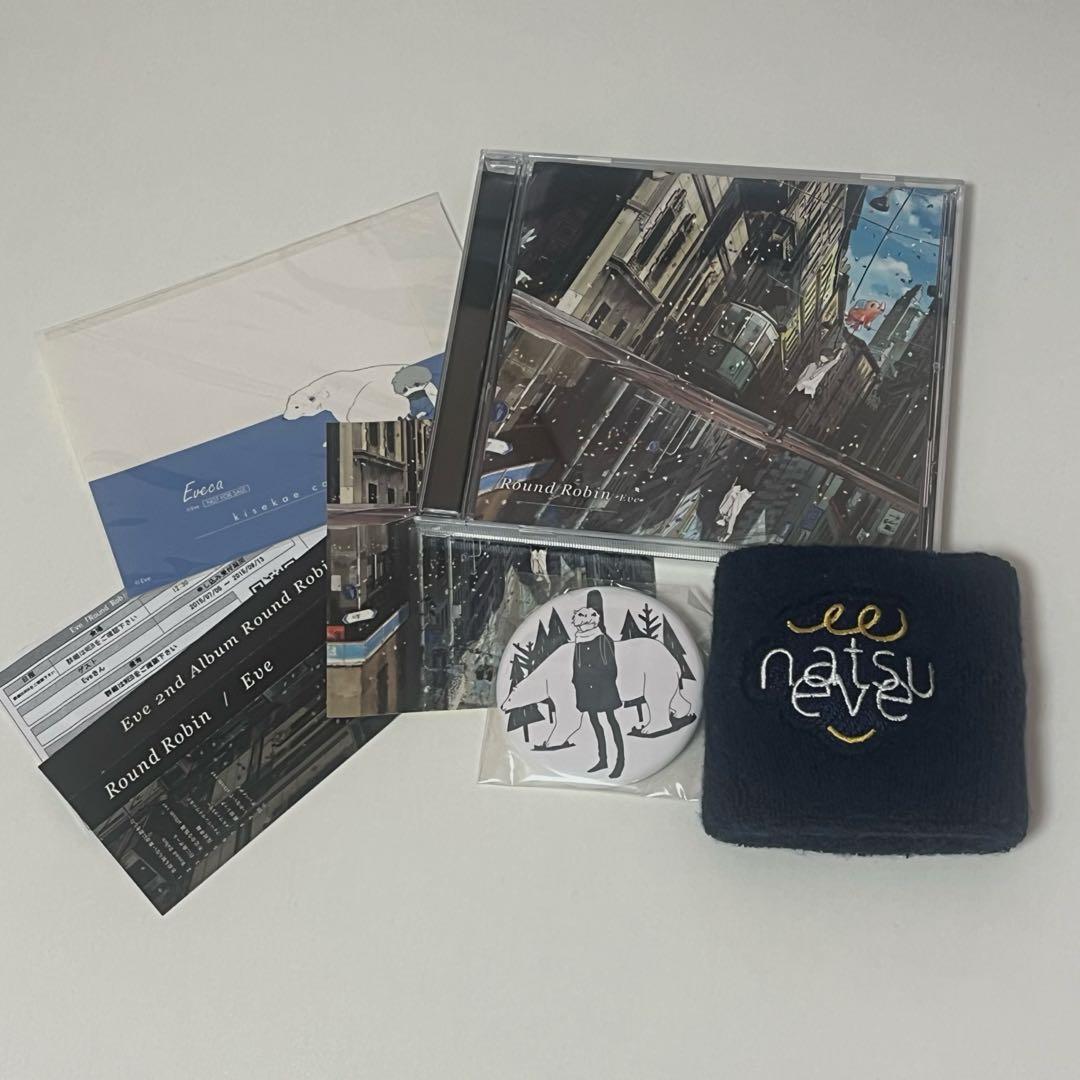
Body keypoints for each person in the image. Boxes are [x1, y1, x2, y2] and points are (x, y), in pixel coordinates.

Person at [571, 591, 625, 779]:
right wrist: (577, 683)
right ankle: (603, 760)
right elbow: (576, 666)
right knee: (595, 722)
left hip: (603, 688)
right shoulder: (579, 640)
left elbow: (611, 667)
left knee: (611, 720)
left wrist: (602, 681)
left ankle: (620, 761)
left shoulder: (603, 639)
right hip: (586, 689)